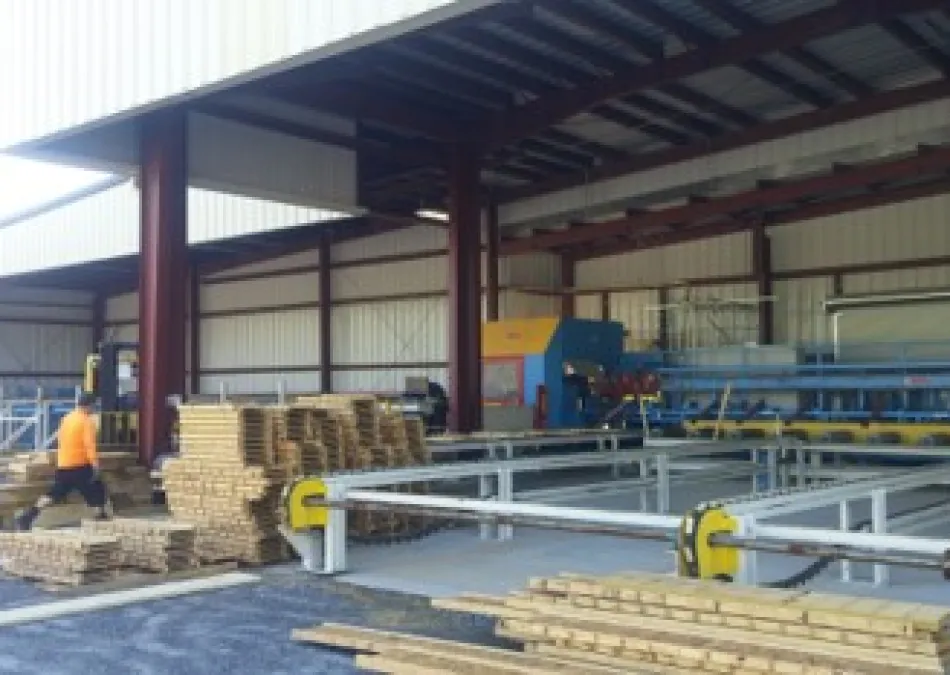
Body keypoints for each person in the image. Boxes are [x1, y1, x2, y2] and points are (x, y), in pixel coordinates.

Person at [15, 392, 110, 531]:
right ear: (90, 405)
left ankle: (28, 516)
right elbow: (89, 445)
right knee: (98, 488)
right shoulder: (87, 421)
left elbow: (60, 439)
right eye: (94, 406)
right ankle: (100, 516)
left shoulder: (67, 418)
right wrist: (95, 465)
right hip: (80, 465)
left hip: (64, 465)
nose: (94, 409)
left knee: (54, 494)